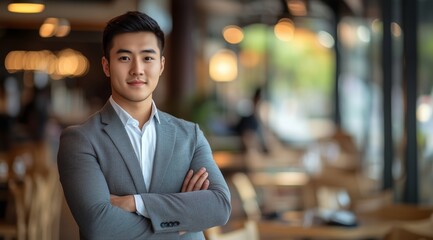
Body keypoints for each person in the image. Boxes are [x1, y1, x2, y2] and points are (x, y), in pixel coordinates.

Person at [57, 11, 231, 240]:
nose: (137, 69)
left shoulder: (190, 135)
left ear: (161, 65)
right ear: (106, 66)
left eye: (147, 58)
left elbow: (220, 207)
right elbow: (99, 227)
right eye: (125, 58)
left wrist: (135, 202)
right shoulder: (80, 140)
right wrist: (182, 219)